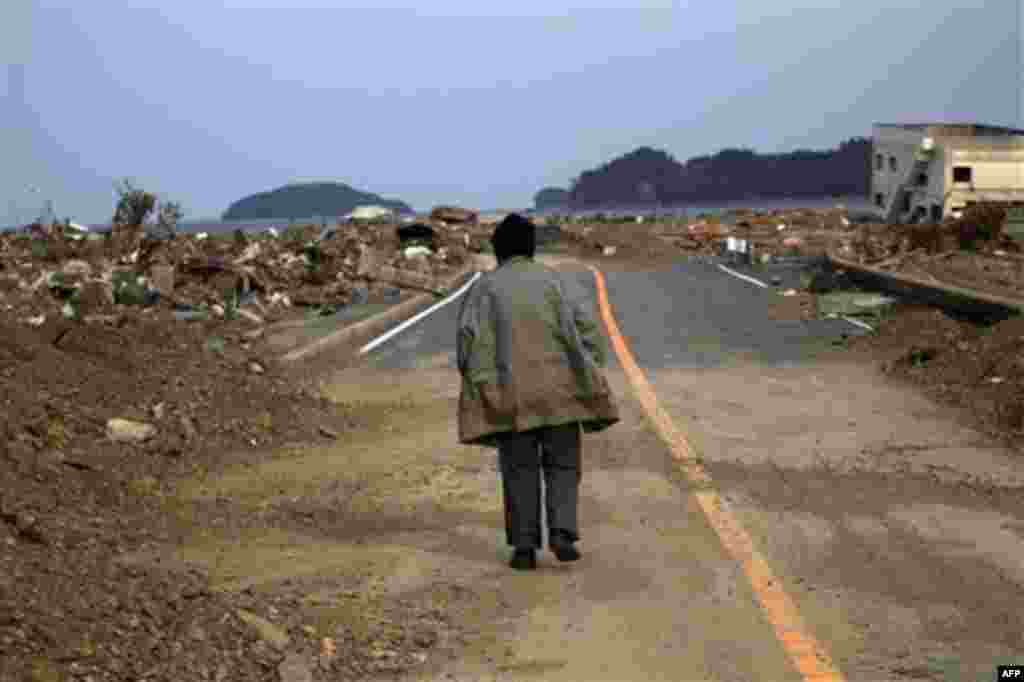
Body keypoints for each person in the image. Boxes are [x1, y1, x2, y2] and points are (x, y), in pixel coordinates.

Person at [456, 213, 620, 570]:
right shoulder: (554, 282)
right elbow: (587, 328)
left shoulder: (485, 288)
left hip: (511, 396)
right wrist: (588, 368)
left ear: (498, 249)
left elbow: (467, 341)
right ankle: (562, 531)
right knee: (563, 464)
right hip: (562, 391)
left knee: (519, 469)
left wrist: (476, 384)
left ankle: (524, 548)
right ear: (532, 248)